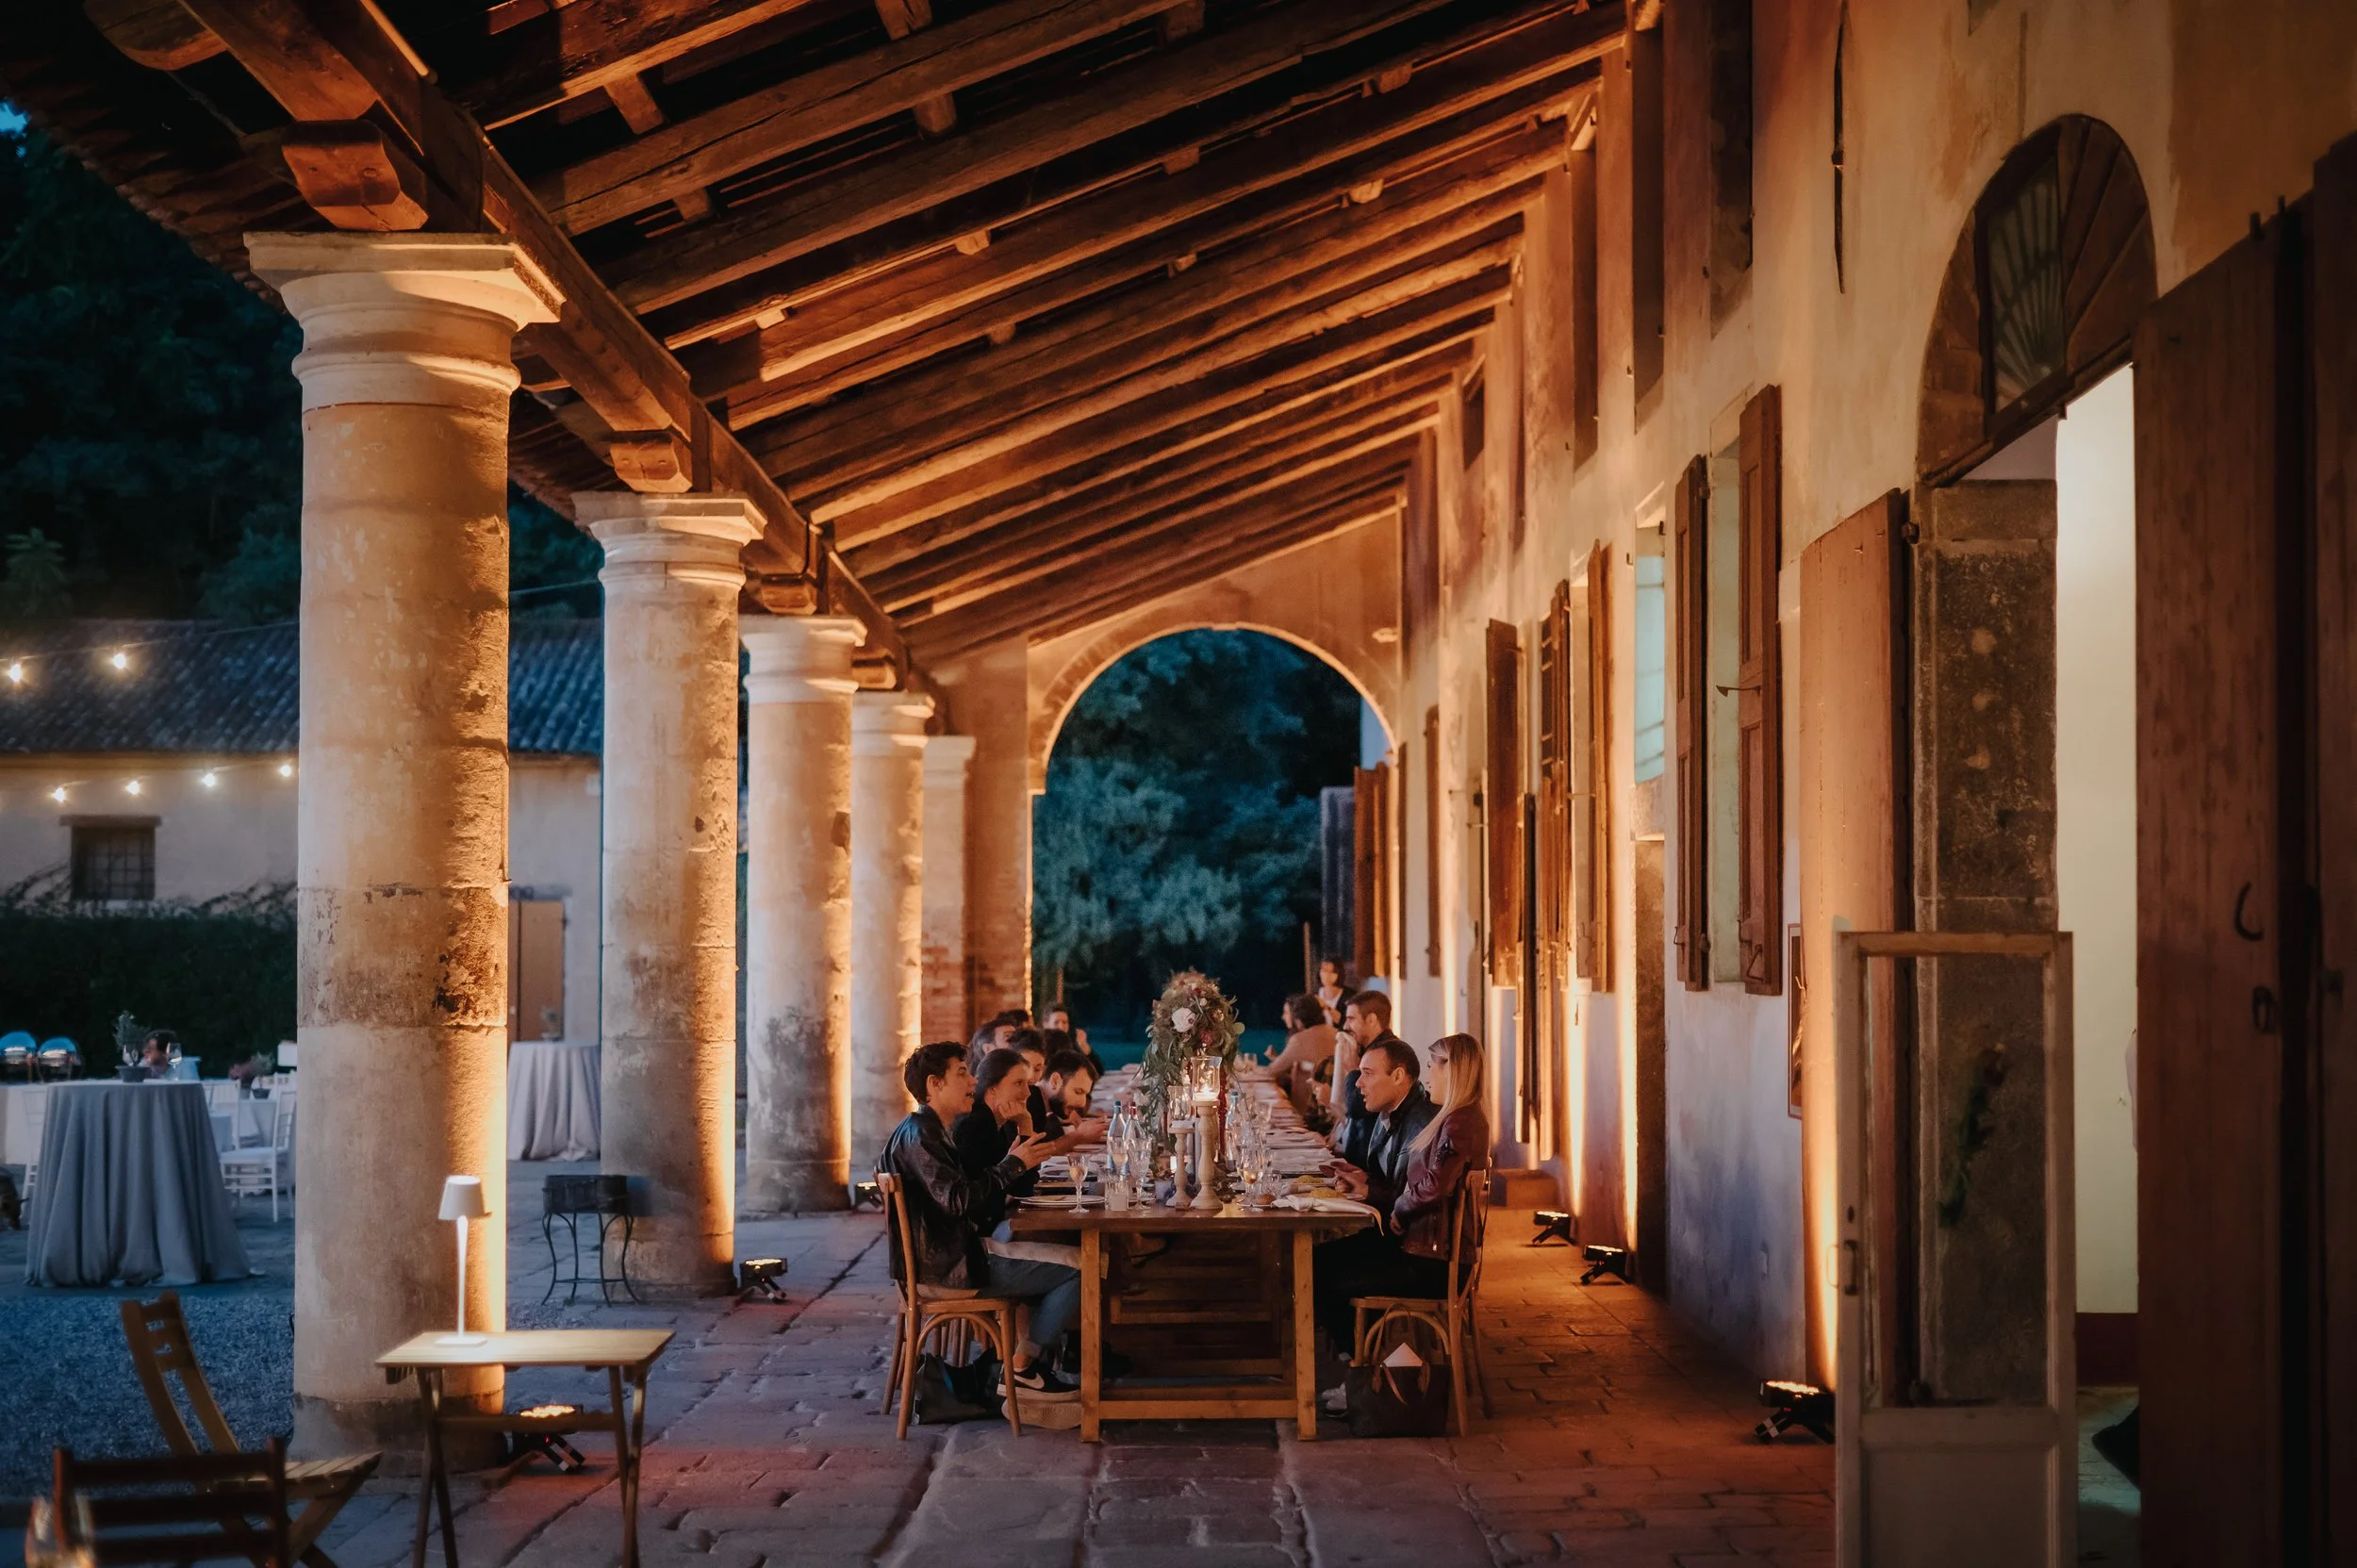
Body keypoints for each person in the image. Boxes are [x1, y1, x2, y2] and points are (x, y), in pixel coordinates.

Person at [880, 1041, 1081, 1397]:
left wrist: (1014, 1158)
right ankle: (1023, 1368)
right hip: (952, 1267)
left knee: (1062, 1253)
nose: (973, 1082)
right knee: (1083, 1268)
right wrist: (1014, 1163)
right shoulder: (922, 1135)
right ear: (934, 1084)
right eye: (962, 1073)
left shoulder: (926, 1130)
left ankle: (1032, 1362)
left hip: (950, 1257)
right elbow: (959, 1201)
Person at [1314, 1032, 1491, 1384]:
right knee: (1320, 1260)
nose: (1427, 1077)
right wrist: (1372, 1187)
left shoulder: (1458, 1122)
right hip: (1425, 1248)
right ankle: (1360, 1366)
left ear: (1453, 1071)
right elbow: (1420, 1185)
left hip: (1433, 1262)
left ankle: (1366, 1376)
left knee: (1324, 1274)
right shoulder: (1455, 1118)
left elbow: (1432, 1188)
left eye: (1432, 1067)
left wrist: (1398, 1213)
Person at [1327, 991, 1401, 1168]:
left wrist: (1353, 1070)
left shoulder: (1385, 1053)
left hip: (1369, 1165)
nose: (1345, 1025)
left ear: (1371, 1020)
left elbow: (1356, 1107)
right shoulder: (1368, 1049)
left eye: (1351, 1019)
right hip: (1358, 1155)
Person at [1261, 994, 1337, 1116]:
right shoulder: (1335, 1033)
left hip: (1309, 1113)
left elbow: (1271, 1072)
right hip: (1333, 1113)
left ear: (1298, 1020)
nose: (1283, 1017)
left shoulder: (1300, 1039)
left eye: (1286, 1013)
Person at [1036, 1048, 1105, 1141]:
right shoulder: (1030, 1101)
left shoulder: (1050, 1110)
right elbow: (1038, 1148)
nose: (1082, 1103)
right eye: (1078, 1092)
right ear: (1055, 1081)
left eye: (1085, 1094)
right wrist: (1079, 1136)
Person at [1043, 1006, 1101, 1075]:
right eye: (1056, 1022)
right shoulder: (1041, 1046)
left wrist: (1084, 1046)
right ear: (1045, 1024)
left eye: (1064, 1022)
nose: (1061, 1026)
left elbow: (1098, 1071)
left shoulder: (1071, 1045)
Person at [1315, 957, 1347, 1025]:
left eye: (1332, 972)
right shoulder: (1314, 996)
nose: (1327, 975)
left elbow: (1344, 1022)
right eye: (1324, 971)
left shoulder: (1349, 996)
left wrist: (1326, 1007)